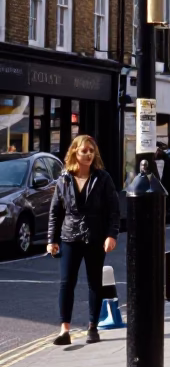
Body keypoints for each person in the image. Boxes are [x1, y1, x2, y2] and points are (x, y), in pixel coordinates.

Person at [46, 135, 119, 346]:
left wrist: (111, 235)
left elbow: (114, 211)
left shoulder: (103, 178)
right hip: (69, 236)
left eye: (91, 150)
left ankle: (92, 327)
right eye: (84, 150)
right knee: (66, 283)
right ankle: (64, 330)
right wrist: (52, 239)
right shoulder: (64, 179)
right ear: (74, 153)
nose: (88, 154)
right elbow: (55, 212)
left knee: (94, 282)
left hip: (96, 237)